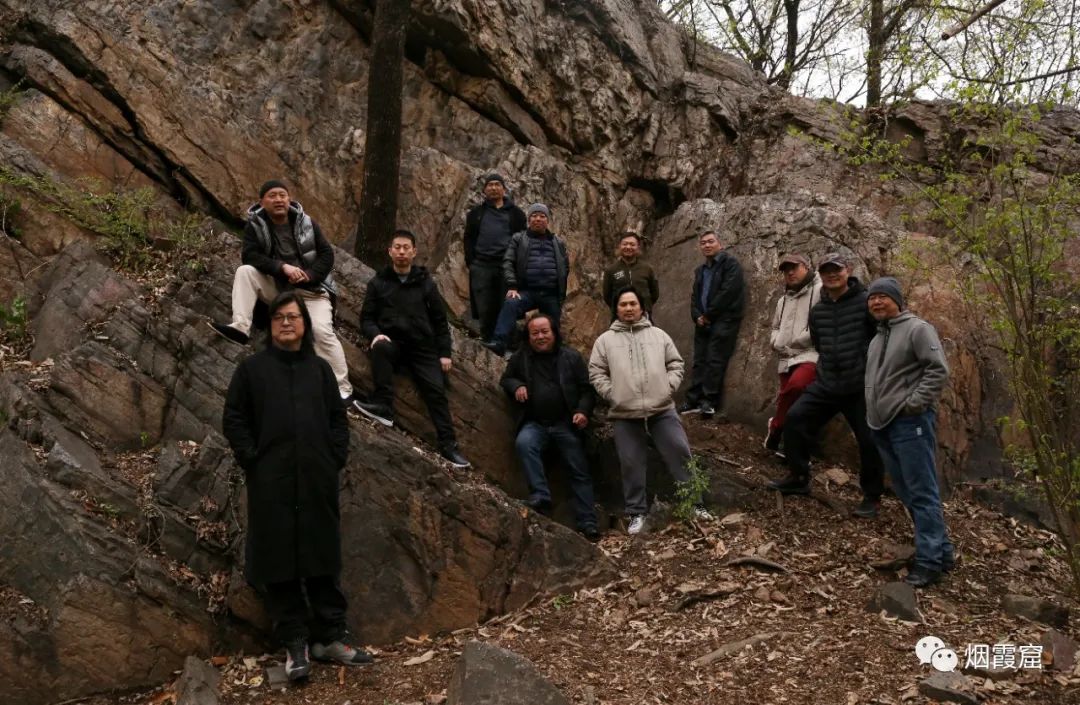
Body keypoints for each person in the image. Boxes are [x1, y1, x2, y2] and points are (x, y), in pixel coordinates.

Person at [222, 291, 372, 682]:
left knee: (322, 554)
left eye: (293, 316)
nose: (287, 323)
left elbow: (338, 420)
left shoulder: (319, 371)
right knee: (279, 559)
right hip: (270, 480)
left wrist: (333, 457)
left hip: (316, 477)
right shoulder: (252, 371)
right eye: (279, 318)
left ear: (305, 324)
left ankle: (331, 637)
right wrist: (252, 459)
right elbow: (234, 418)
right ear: (270, 325)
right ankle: (295, 643)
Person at [208, 179, 354, 404]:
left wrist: (310, 275)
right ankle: (240, 327)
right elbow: (250, 256)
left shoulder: (307, 223)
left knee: (322, 332)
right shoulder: (256, 225)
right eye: (272, 196)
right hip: (279, 289)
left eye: (282, 195)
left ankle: (342, 387)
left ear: (289, 199)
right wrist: (281, 267)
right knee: (245, 271)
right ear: (262, 202)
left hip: (312, 291)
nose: (278, 200)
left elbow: (327, 255)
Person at [589, 287, 714, 535]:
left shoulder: (658, 335)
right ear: (616, 309)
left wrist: (667, 388)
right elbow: (596, 372)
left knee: (680, 452)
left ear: (642, 307)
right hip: (625, 413)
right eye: (623, 304)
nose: (628, 308)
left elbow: (676, 363)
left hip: (661, 409)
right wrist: (613, 394)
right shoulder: (605, 340)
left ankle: (695, 504)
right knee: (631, 463)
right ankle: (636, 512)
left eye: (633, 303)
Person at [768, 253, 884, 519]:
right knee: (796, 419)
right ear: (820, 273)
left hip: (859, 386)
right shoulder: (818, 311)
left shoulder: (865, 303)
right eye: (827, 271)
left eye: (837, 270)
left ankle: (872, 496)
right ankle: (798, 476)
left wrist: (870, 371)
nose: (832, 275)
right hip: (828, 383)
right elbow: (819, 344)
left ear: (848, 271)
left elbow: (880, 337)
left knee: (868, 440)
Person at [353, 230, 471, 468]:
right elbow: (367, 318)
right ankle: (383, 406)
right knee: (380, 349)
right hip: (393, 344)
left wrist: (445, 353)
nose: (402, 252)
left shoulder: (425, 283)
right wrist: (375, 335)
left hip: (423, 349)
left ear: (414, 251)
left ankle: (448, 445)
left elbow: (439, 321)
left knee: (436, 393)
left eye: (406, 247)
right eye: (397, 247)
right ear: (390, 251)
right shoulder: (379, 282)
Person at [865, 277, 953, 587]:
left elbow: (937, 369)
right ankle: (942, 553)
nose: (876, 302)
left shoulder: (918, 329)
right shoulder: (877, 338)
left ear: (897, 301)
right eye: (872, 298)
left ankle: (929, 562)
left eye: (883, 297)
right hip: (882, 425)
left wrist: (913, 405)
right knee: (907, 491)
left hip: (909, 423)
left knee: (922, 492)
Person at [500, 314, 600, 541]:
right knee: (524, 443)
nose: (540, 336)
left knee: (579, 469)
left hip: (567, 424)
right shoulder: (521, 358)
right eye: (534, 333)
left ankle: (588, 522)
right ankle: (540, 496)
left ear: (554, 332)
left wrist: (582, 412)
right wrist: (517, 386)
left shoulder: (571, 358)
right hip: (535, 423)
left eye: (545, 331)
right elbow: (506, 379)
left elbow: (587, 390)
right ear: (528, 336)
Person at [482, 204, 569, 355]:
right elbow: (508, 262)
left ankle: (555, 354)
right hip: (526, 291)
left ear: (547, 220)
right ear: (529, 220)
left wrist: (559, 289)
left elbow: (565, 266)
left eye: (542, 216)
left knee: (553, 326)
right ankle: (499, 342)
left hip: (550, 294)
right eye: (534, 216)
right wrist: (512, 286)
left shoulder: (558, 242)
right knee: (511, 303)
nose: (538, 219)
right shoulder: (519, 238)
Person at [679, 230, 745, 418]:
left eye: (710, 241)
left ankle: (708, 402)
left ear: (720, 244)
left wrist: (708, 315)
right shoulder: (701, 270)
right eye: (703, 243)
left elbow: (728, 292)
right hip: (702, 322)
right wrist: (697, 316)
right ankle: (693, 400)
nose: (707, 245)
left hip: (724, 321)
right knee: (699, 361)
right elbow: (694, 297)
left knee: (715, 360)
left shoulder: (730, 265)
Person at [765, 253, 823, 455]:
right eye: (786, 270)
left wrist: (804, 338)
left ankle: (777, 426)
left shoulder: (820, 291)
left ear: (806, 266)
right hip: (785, 355)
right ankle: (789, 445)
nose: (790, 272)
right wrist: (776, 341)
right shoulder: (783, 300)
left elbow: (823, 320)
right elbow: (775, 326)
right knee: (792, 401)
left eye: (794, 267)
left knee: (796, 387)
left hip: (810, 353)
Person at [464, 173, 527, 342]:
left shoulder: (517, 214)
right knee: (484, 306)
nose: (493, 188)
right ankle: (486, 340)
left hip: (506, 266)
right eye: (490, 185)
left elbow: (522, 241)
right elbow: (469, 238)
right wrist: (472, 262)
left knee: (506, 306)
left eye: (497, 184)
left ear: (504, 189)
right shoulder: (476, 214)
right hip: (482, 265)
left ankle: (505, 343)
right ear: (484, 190)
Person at [602, 232, 660, 319]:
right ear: (619, 246)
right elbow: (607, 295)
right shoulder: (611, 270)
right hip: (619, 317)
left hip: (644, 316)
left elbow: (654, 293)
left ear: (638, 247)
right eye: (625, 244)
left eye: (632, 244)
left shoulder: (647, 269)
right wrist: (620, 308)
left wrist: (645, 306)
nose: (628, 247)